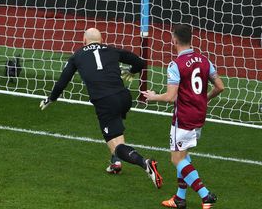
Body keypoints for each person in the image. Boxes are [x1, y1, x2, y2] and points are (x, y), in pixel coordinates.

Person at [40, 28, 163, 187]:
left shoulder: (77, 56)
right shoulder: (111, 50)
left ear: (84, 40)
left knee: (117, 144)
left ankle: (145, 163)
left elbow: (63, 80)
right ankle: (115, 163)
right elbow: (140, 62)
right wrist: (132, 71)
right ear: (101, 40)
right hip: (124, 97)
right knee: (114, 130)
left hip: (106, 101)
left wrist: (51, 98)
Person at [143, 24, 224, 209]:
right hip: (199, 115)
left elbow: (171, 97)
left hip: (184, 118)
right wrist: (205, 97)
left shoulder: (175, 65)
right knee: (184, 155)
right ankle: (180, 198)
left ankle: (205, 195)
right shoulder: (204, 60)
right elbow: (220, 86)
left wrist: (154, 96)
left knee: (176, 159)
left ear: (174, 40)